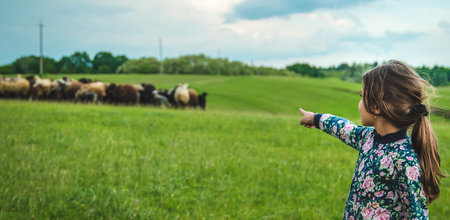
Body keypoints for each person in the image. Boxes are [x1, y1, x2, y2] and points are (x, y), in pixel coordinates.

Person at [298, 60, 445, 219]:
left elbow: (418, 214)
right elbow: (344, 128)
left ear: (376, 107)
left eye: (362, 96)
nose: (359, 103)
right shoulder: (368, 138)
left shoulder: (405, 160)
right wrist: (315, 118)